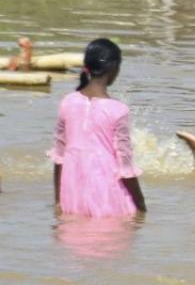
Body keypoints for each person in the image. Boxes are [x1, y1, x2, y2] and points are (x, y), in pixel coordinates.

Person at [49, 38, 146, 217]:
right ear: (114, 68)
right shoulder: (118, 110)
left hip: (72, 196)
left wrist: (58, 201)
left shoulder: (67, 102)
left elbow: (59, 158)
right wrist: (141, 205)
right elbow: (125, 167)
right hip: (108, 198)